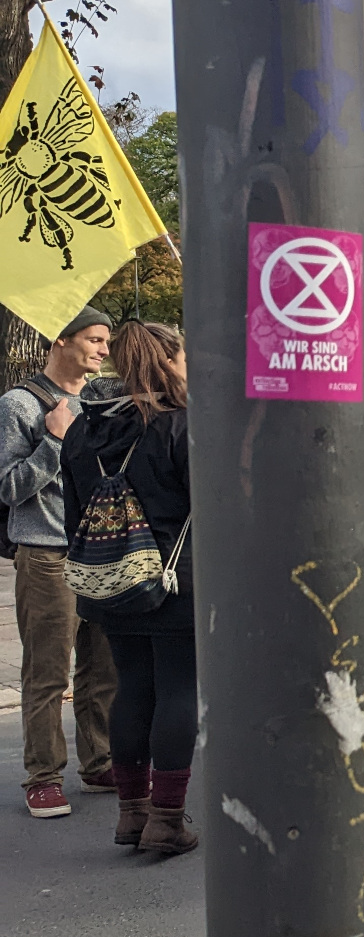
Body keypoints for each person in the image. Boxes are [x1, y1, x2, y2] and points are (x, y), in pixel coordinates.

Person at [61, 321, 198, 855]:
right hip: (175, 579)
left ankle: (131, 813)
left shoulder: (83, 429)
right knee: (178, 689)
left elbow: (75, 514)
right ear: (168, 361)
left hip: (109, 578)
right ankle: (167, 818)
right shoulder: (180, 426)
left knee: (131, 687)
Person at [0, 306, 119, 818]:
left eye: (106, 340)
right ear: (61, 342)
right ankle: (43, 776)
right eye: (94, 339)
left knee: (103, 667)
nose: (104, 350)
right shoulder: (19, 404)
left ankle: (99, 761)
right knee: (49, 673)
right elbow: (9, 488)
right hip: (47, 553)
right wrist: (53, 440)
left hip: (101, 550)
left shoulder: (99, 400)